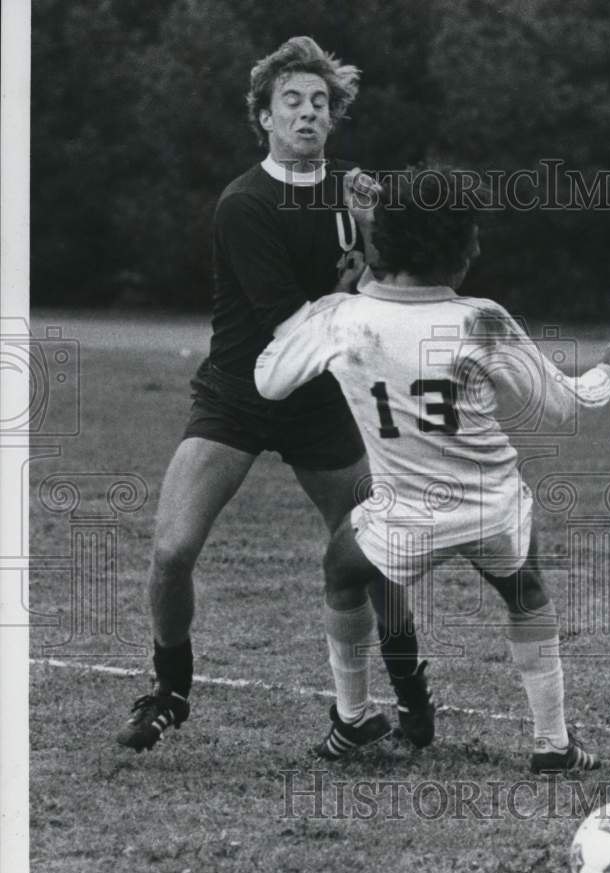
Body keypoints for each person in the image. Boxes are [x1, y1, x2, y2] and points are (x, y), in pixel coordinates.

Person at [255, 167, 610, 772]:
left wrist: (354, 280)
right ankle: (553, 745)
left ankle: (352, 719)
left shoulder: (342, 318)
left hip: (406, 514)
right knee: (526, 593)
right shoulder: (480, 320)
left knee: (341, 568)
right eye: (471, 234)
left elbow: (269, 380)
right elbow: (558, 403)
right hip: (492, 505)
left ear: (387, 240)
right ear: (455, 249)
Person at [116, 37, 431, 752]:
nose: (307, 114)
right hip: (238, 396)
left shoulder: (357, 190)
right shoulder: (244, 203)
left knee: (374, 556)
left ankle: (413, 693)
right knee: (171, 550)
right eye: (291, 101)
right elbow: (291, 325)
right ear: (262, 116)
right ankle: (169, 689)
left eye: (320, 103)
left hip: (323, 403)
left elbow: (403, 279)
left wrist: (382, 232)